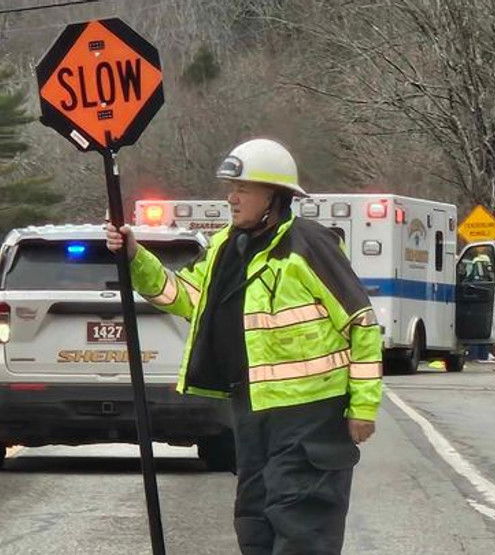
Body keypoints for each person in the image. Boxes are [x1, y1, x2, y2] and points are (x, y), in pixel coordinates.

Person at [106, 138, 382, 554]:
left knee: (302, 525)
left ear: (275, 196)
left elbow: (361, 322)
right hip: (251, 411)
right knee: (255, 523)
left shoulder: (309, 246)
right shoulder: (226, 247)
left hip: (311, 415)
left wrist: (363, 408)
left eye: (243, 189)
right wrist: (134, 256)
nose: (231, 198)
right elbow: (183, 296)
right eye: (231, 188)